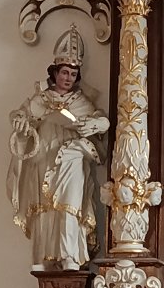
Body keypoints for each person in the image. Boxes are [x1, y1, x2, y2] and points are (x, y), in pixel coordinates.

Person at [7, 25, 110, 271]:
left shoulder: (81, 101)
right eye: (64, 72)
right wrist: (19, 122)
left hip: (72, 160)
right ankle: (42, 256)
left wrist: (98, 124)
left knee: (69, 204)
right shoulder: (40, 99)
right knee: (43, 205)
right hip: (44, 156)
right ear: (55, 73)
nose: (68, 78)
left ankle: (69, 255)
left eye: (73, 74)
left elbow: (101, 121)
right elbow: (19, 115)